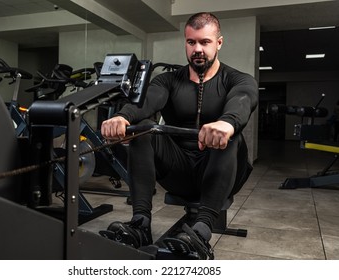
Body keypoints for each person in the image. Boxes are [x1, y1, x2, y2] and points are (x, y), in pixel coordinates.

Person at [99, 12, 258, 260]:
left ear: (219, 42)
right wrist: (123, 117)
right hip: (179, 171)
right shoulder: (169, 81)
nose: (197, 49)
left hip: (219, 171)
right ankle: (140, 224)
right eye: (191, 42)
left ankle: (202, 232)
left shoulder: (237, 79)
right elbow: (148, 101)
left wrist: (226, 124)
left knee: (232, 137)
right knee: (144, 128)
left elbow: (244, 98)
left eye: (204, 42)